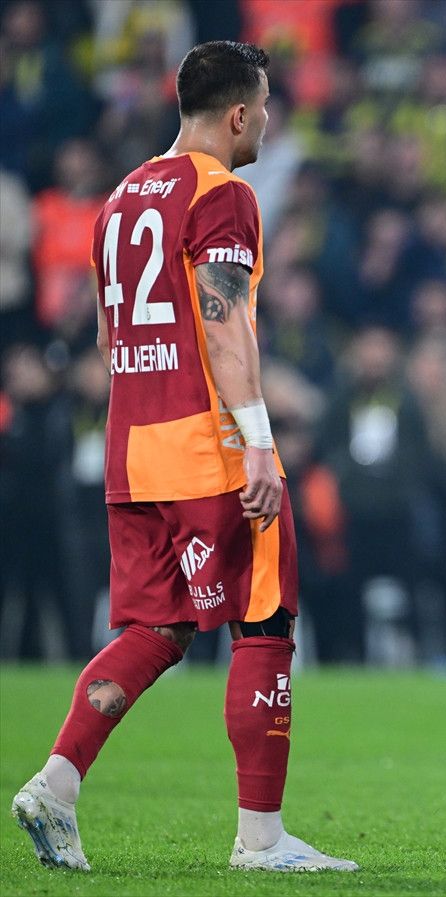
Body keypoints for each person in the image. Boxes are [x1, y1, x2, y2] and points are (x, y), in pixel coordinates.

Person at [9, 41, 357, 874]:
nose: (266, 123)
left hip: (132, 451)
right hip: (209, 449)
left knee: (156, 627)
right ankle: (261, 839)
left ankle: (56, 783)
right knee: (264, 620)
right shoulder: (222, 193)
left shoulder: (119, 199)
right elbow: (224, 324)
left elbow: (108, 340)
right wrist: (260, 443)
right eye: (264, 109)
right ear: (238, 113)